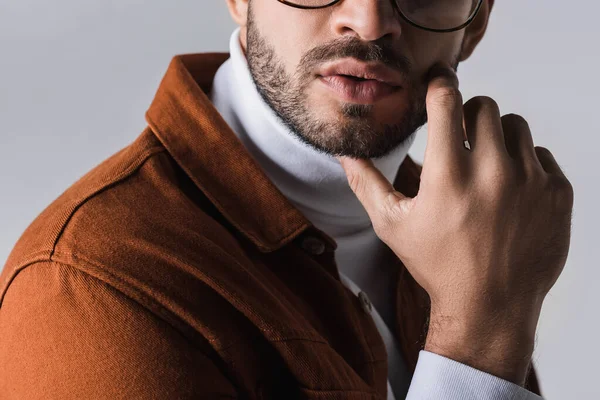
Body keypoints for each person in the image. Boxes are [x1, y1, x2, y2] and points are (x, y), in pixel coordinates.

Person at [0, 0, 573, 398]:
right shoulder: (90, 285)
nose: (369, 22)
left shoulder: (475, 229)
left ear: (474, 25)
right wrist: (478, 340)